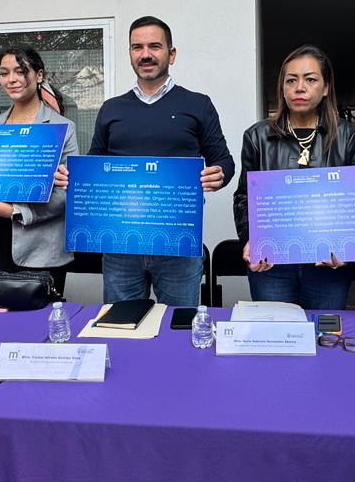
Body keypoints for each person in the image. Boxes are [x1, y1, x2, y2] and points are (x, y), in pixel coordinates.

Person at [56, 16, 235, 306]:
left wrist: (220, 174)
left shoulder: (198, 104)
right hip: (119, 243)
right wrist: (74, 179)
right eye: (137, 47)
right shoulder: (111, 108)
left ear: (171, 54)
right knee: (121, 325)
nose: (145, 54)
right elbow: (95, 165)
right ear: (130, 54)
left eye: (155, 46)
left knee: (178, 325)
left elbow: (224, 161)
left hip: (177, 242)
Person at [232, 45, 355, 308]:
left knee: (324, 331)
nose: (299, 88)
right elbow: (244, 197)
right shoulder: (257, 136)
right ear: (282, 88)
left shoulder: (347, 135)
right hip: (272, 262)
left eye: (310, 79)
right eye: (291, 80)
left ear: (326, 88)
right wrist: (252, 239)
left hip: (328, 261)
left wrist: (349, 246)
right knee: (275, 329)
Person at [0, 46, 76, 295]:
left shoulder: (62, 127)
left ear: (39, 75)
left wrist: (15, 212)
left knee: (39, 318)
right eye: (4, 73)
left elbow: (65, 193)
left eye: (20, 71)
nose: (12, 79)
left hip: (40, 247)